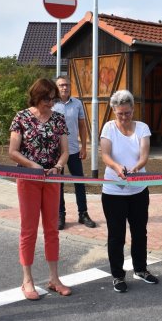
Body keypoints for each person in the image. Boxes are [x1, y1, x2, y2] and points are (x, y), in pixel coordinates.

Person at [8, 78, 73, 300]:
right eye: (47, 99)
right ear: (37, 96)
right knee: (29, 230)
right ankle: (27, 280)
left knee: (52, 230)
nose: (51, 103)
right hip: (28, 179)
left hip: (53, 179)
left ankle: (54, 279)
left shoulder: (59, 119)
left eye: (53, 99)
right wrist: (33, 166)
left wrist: (57, 166)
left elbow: (65, 151)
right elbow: (13, 151)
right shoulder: (21, 118)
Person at [99, 90, 159, 293]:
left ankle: (140, 269)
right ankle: (117, 275)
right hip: (113, 191)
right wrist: (117, 167)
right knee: (116, 235)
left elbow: (144, 156)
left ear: (133, 109)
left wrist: (136, 168)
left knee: (139, 231)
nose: (124, 117)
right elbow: (105, 155)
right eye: (120, 114)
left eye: (127, 113)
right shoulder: (108, 128)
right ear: (113, 111)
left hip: (138, 189)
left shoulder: (142, 128)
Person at [52, 76, 97, 230]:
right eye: (61, 85)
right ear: (56, 87)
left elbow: (83, 126)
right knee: (58, 185)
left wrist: (84, 147)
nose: (65, 87)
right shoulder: (51, 104)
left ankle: (83, 214)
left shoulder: (77, 103)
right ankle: (60, 214)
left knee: (79, 182)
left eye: (67, 85)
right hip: (56, 153)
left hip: (73, 151)